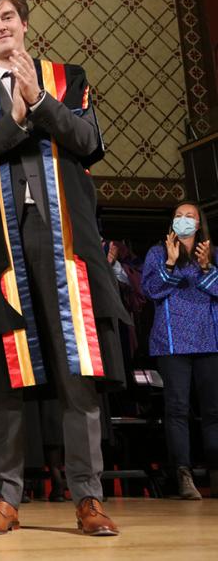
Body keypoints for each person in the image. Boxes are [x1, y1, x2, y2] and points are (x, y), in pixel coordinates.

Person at [0, 0, 128, 536]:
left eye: (7, 17)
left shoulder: (67, 77)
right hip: (0, 244)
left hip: (66, 240)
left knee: (78, 368)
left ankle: (88, 497)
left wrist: (41, 101)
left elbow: (88, 139)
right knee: (5, 372)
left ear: (24, 25)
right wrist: (19, 122)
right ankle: (5, 498)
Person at [141, 202, 218, 499]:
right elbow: (151, 291)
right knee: (176, 409)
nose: (183, 221)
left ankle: (214, 470)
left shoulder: (210, 254)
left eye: (190, 217)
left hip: (209, 340)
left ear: (199, 225)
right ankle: (183, 474)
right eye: (179, 216)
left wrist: (205, 268)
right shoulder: (157, 253)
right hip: (172, 344)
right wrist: (171, 265)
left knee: (213, 411)